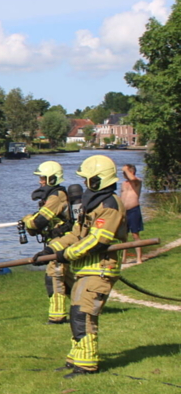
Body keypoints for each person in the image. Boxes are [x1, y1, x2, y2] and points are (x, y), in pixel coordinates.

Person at [36, 155, 128, 379]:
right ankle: (75, 360)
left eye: (88, 180)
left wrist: (67, 254)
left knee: (83, 314)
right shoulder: (93, 203)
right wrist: (51, 249)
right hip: (86, 269)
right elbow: (77, 233)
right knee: (77, 312)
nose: (85, 184)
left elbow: (98, 240)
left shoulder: (110, 205)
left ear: (97, 181)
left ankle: (86, 365)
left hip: (101, 268)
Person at [20, 161, 72, 324]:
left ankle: (57, 316)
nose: (40, 181)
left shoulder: (57, 197)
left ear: (51, 178)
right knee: (69, 279)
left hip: (62, 242)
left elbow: (39, 221)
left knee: (54, 276)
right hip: (58, 241)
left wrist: (28, 220)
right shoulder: (52, 196)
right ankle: (88, 305)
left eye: (43, 178)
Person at [121, 163, 144, 264]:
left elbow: (133, 179)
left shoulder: (137, 181)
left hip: (134, 210)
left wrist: (126, 169)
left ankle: (139, 258)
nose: (124, 173)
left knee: (135, 235)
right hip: (124, 211)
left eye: (126, 172)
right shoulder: (123, 183)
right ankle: (123, 258)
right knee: (123, 235)